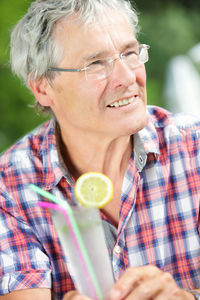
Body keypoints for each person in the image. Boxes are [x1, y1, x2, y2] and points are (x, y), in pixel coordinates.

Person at [0, 0, 199, 299]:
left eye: (130, 53)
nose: (128, 77)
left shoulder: (194, 149)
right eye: (95, 64)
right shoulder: (10, 187)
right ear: (43, 88)